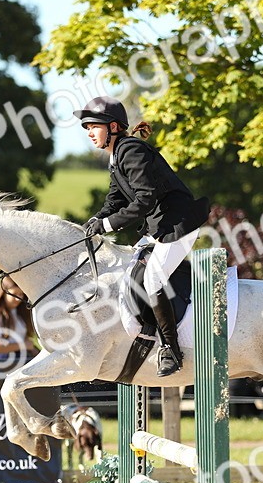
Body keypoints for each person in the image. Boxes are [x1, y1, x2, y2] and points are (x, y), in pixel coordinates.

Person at [75, 96, 210, 376]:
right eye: (86, 127)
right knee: (131, 274)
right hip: (159, 227)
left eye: (93, 126)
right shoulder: (117, 156)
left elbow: (145, 199)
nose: (88, 133)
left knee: (153, 278)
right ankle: (148, 336)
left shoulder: (131, 150)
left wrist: (109, 225)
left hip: (178, 224)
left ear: (112, 127)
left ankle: (171, 350)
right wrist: (97, 219)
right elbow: (115, 199)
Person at [0, 279, 37, 368]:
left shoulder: (19, 313)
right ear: (4, 292)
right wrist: (23, 345)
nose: (18, 298)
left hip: (20, 359)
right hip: (2, 364)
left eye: (21, 294)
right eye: (14, 294)